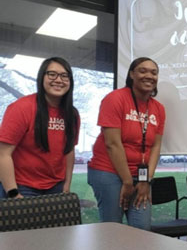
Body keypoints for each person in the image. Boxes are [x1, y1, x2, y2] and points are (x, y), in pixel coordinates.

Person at [88, 57, 165, 230]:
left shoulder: (158, 108)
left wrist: (146, 181)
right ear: (131, 74)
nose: (149, 76)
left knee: (142, 230)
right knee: (113, 229)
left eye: (154, 72)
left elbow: (155, 146)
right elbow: (112, 144)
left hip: (140, 175)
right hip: (108, 171)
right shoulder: (115, 99)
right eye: (142, 70)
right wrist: (128, 181)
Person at [0, 57, 80, 198]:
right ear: (41, 77)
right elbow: (3, 154)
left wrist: (67, 184)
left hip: (56, 186)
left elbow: (69, 150)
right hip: (22, 186)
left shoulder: (72, 114)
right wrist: (13, 193)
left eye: (64, 76)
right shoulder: (21, 108)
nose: (58, 80)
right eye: (52, 74)